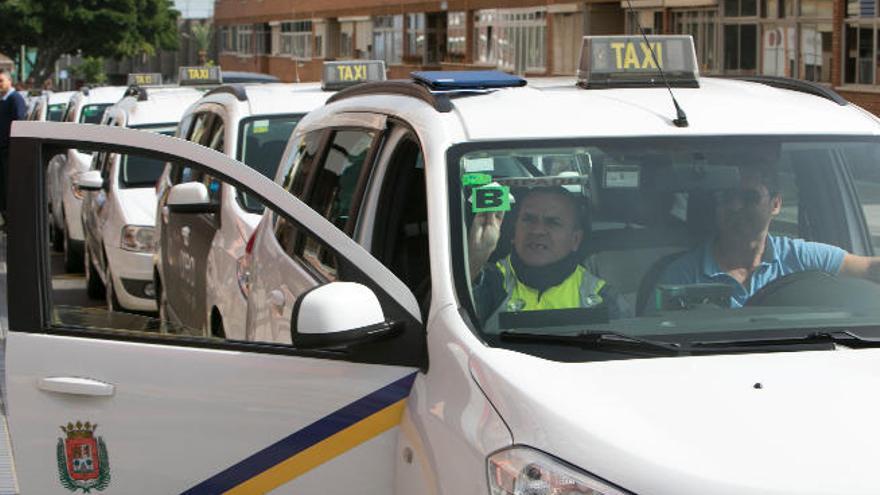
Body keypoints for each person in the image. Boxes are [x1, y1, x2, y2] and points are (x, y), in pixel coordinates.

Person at [659, 164, 880, 308]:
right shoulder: (682, 275)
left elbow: (868, 268)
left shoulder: (800, 257)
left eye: (749, 198)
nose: (735, 206)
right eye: (727, 196)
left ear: (776, 204)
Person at [468, 186, 626, 325]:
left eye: (552, 222)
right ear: (514, 232)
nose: (537, 230)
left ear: (575, 239)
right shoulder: (486, 281)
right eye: (528, 219)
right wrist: (477, 255)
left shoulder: (601, 298)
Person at [0, 69, 27, 226]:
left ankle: (13, 220)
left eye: (1, 81)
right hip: (3, 151)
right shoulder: (3, 100)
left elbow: (19, 123)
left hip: (10, 151)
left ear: (9, 81)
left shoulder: (15, 99)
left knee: (9, 186)